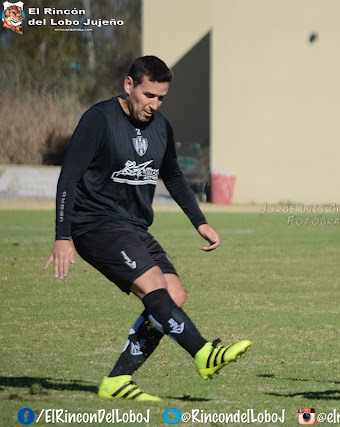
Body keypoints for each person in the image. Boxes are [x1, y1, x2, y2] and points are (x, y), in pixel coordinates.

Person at [44, 56, 251, 401]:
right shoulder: (98, 120)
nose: (154, 104)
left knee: (174, 295)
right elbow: (69, 177)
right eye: (149, 95)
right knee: (154, 285)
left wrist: (199, 221)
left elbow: (172, 175)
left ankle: (116, 382)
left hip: (135, 226)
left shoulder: (160, 127)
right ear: (129, 86)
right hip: (95, 225)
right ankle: (203, 353)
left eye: (161, 98)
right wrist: (62, 235)